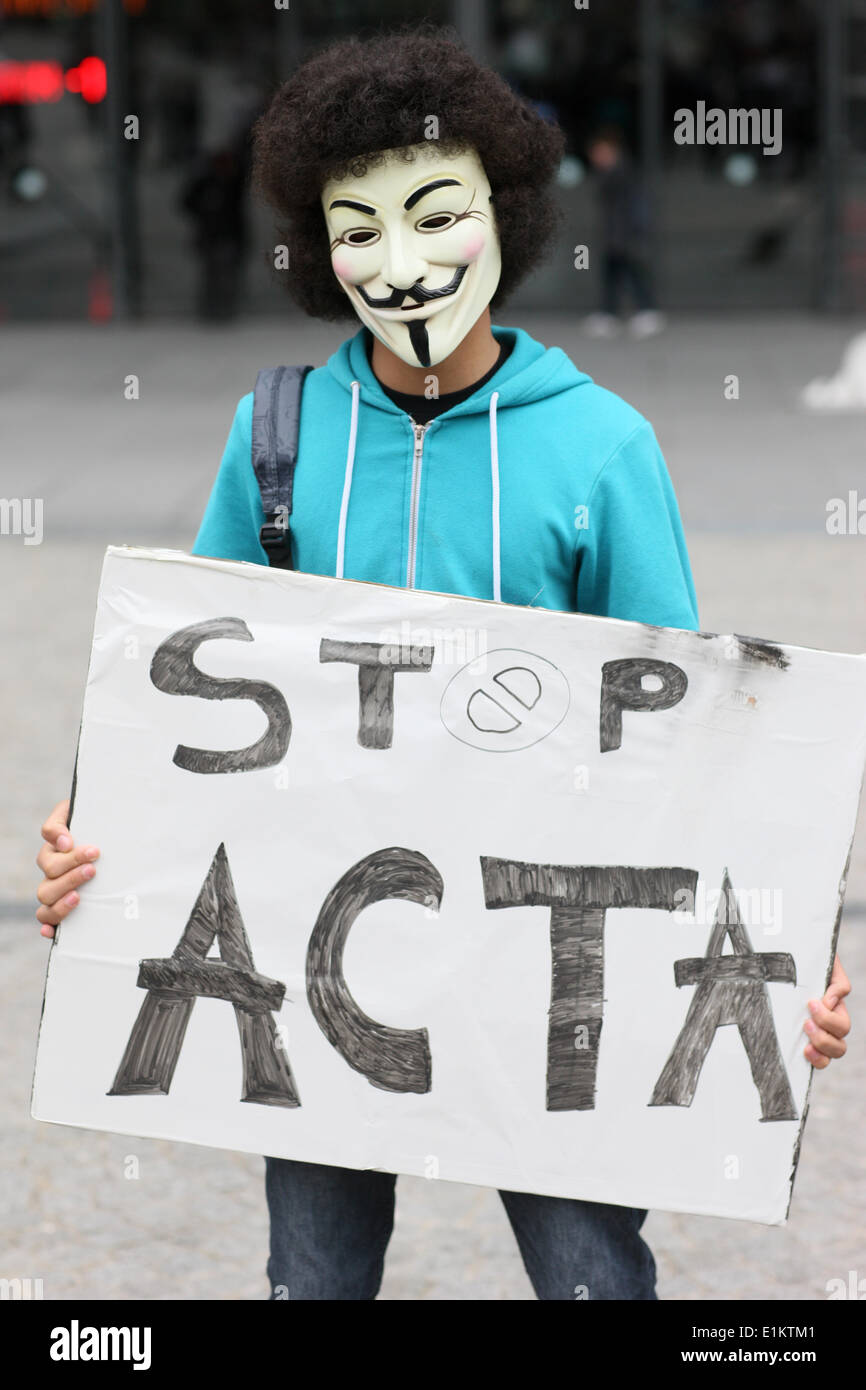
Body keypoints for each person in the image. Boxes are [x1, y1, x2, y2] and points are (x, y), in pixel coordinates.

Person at [34, 25, 852, 1301]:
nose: (399, 265)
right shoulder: (275, 439)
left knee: (589, 1270)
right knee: (312, 1283)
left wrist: (778, 946)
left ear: (505, 214)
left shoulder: (601, 450)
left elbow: (692, 744)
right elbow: (174, 685)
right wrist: (93, 839)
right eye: (356, 230)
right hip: (318, 978)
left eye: (432, 217)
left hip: (548, 987)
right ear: (318, 246)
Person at [584, 125, 665, 340]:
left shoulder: (623, 173)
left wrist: (634, 232)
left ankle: (645, 312)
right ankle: (610, 313)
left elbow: (632, 207)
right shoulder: (611, 174)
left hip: (624, 235)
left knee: (632, 274)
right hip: (616, 235)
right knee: (614, 275)